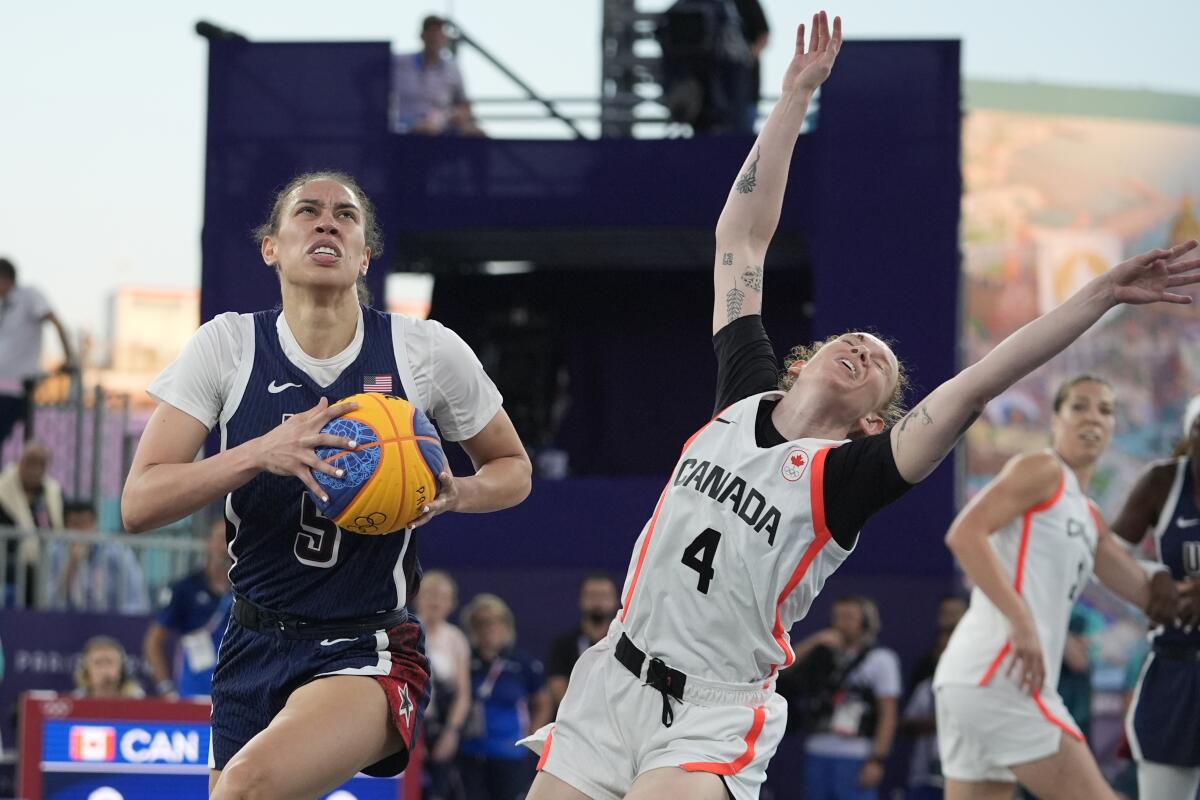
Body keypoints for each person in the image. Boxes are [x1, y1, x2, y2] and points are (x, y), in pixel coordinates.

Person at [521, 11, 1200, 800]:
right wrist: (792, 98)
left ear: (876, 419)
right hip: (610, 681)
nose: (867, 348)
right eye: (855, 340)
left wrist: (1099, 295)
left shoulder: (848, 477)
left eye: (883, 362)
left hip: (711, 713)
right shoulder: (744, 390)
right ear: (802, 361)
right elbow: (740, 240)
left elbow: (978, 383)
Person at [120, 170, 531, 798]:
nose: (327, 221)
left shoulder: (422, 350)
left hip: (365, 642)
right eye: (307, 211)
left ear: (364, 254)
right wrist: (260, 452)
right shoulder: (228, 346)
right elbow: (139, 502)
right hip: (251, 640)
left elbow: (514, 469)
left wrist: (458, 492)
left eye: (346, 215)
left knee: (246, 788)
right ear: (272, 248)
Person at [933, 375, 1177, 800]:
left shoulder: (1088, 515)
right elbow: (965, 534)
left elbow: (1145, 589)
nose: (1093, 418)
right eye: (1079, 406)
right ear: (1056, 419)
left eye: (1105, 410)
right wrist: (1021, 620)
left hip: (972, 681)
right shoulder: (1043, 470)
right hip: (1001, 675)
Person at [1111, 394, 1200, 800]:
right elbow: (1104, 552)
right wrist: (1152, 574)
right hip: (1175, 668)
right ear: (1191, 434)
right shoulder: (1163, 481)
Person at [789, 596, 900, 800]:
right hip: (818, 750)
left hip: (856, 754)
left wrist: (877, 759)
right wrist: (815, 641)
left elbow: (888, 714)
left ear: (866, 622)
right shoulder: (821, 655)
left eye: (849, 617)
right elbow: (783, 668)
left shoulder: (881, 659)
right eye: (837, 617)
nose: (841, 623)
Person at [458, 593, 551, 800]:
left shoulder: (522, 664)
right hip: (470, 752)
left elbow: (543, 702)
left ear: (507, 625)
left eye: (497, 620)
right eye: (482, 622)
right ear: (472, 627)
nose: (490, 627)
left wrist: (528, 738)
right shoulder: (465, 660)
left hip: (509, 754)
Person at [143, 518, 232, 700]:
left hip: (235, 694)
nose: (225, 547)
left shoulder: (249, 589)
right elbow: (153, 643)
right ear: (207, 543)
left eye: (231, 539)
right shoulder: (184, 588)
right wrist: (166, 690)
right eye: (220, 539)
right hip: (193, 693)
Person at [0, 257, 76, 447]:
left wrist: (69, 357)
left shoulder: (28, 296)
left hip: (17, 388)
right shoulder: (4, 306)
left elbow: (55, 322)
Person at [415, 569, 471, 800]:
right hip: (409, 724)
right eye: (430, 594)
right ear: (417, 597)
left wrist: (451, 732)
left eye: (442, 596)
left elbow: (463, 693)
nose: (436, 601)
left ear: (452, 603)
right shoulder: (405, 630)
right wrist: (413, 735)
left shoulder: (456, 638)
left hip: (441, 726)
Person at [46, 499, 149, 614]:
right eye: (75, 525)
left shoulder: (117, 552)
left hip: (111, 623)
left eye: (85, 524)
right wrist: (71, 564)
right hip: (65, 623)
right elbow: (48, 603)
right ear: (65, 527)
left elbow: (135, 599)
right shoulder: (54, 553)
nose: (81, 531)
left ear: (95, 525)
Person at [391, 15, 483, 136]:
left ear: (445, 39)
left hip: (441, 130)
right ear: (422, 35)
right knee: (424, 131)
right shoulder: (400, 63)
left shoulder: (453, 69)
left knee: (476, 134)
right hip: (406, 128)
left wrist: (459, 116)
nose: (434, 37)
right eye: (431, 32)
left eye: (439, 33)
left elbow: (464, 105)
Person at [0, 441, 63, 606]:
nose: (34, 469)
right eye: (30, 462)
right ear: (20, 461)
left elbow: (56, 527)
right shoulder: (3, 490)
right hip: (9, 560)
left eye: (40, 464)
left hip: (48, 561)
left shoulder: (50, 492)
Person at [545, 573, 619, 714]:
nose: (597, 602)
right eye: (592, 596)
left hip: (615, 720)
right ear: (581, 600)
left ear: (615, 601)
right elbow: (557, 688)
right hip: (574, 721)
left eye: (603, 596)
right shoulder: (564, 645)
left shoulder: (625, 643)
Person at [72, 635, 145, 699]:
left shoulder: (136, 698)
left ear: (122, 668)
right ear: (86, 669)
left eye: (109, 662)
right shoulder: (76, 699)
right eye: (98, 663)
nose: (104, 670)